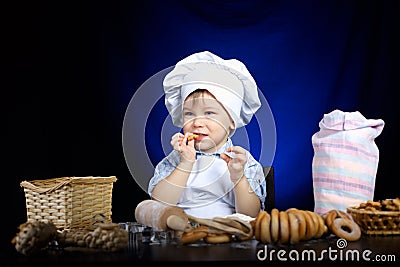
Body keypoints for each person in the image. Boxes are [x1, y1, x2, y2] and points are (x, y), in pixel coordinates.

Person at [148, 51, 266, 219]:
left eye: (209, 113)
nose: (197, 123)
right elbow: (159, 204)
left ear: (232, 120)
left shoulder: (244, 164)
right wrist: (186, 163)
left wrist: (238, 178)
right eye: (189, 114)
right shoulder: (175, 160)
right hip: (180, 235)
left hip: (230, 235)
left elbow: (251, 214)